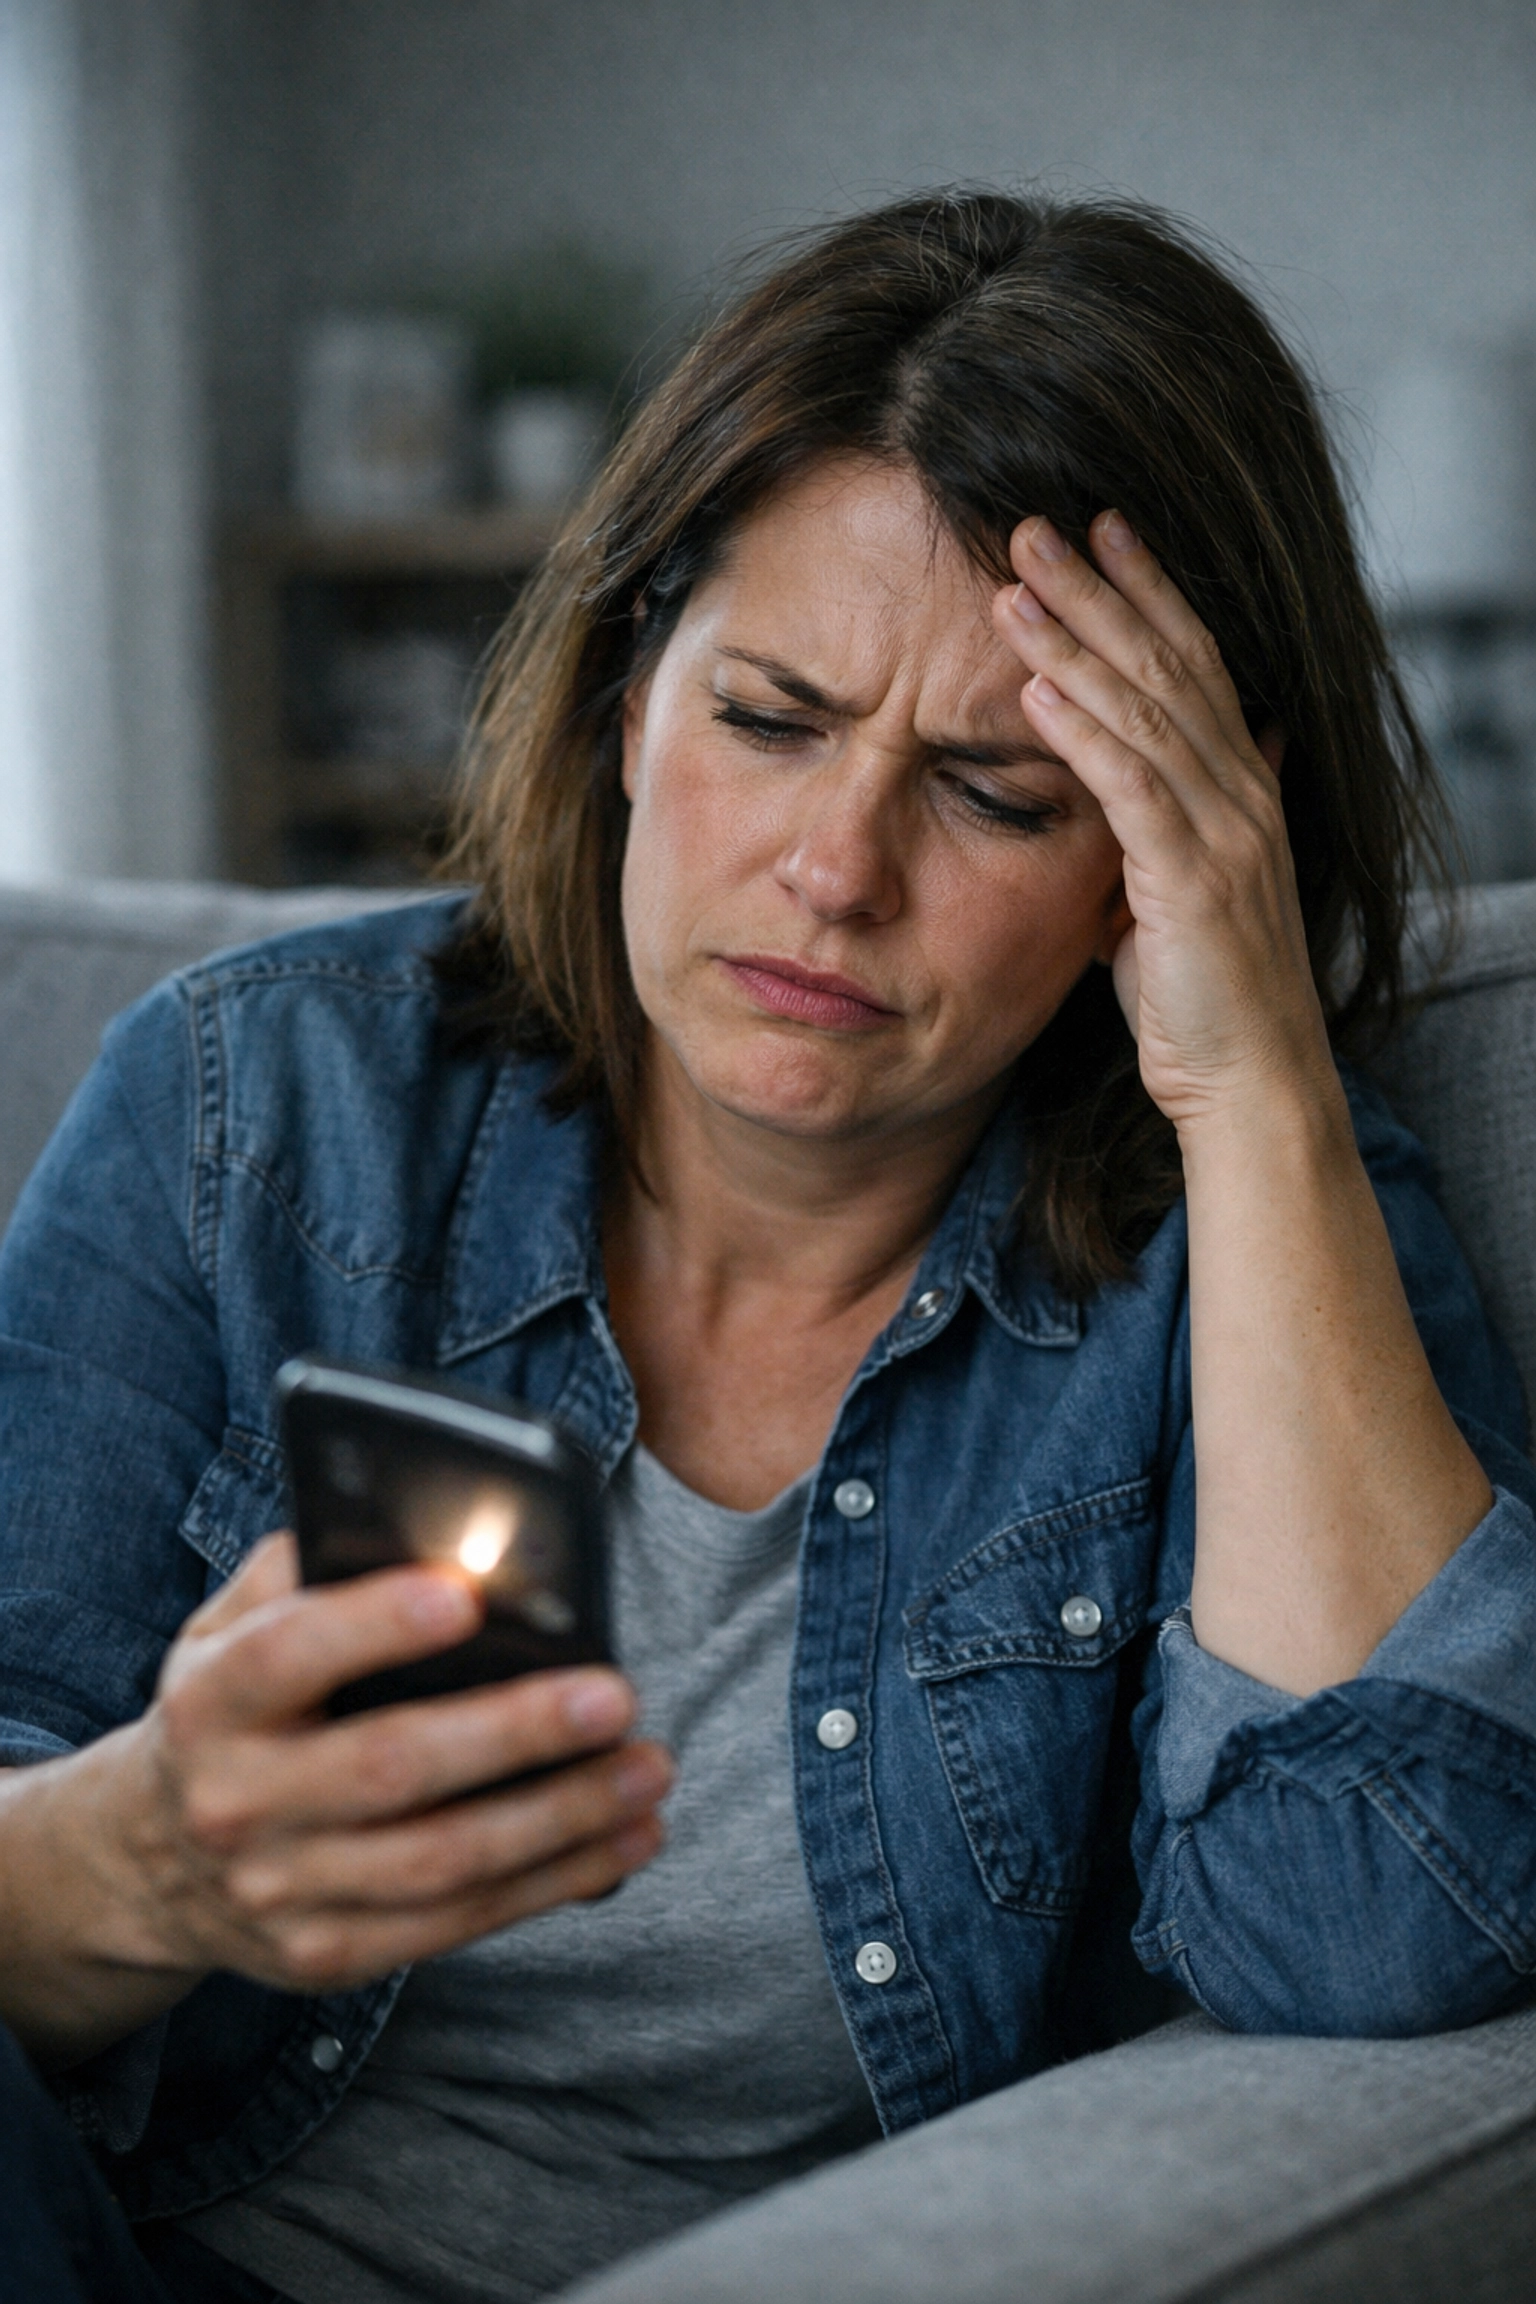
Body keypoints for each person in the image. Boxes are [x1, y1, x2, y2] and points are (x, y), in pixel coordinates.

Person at [2, 188, 1534, 2304]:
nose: (837, 870)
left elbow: (1379, 1923)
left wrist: (1253, 1084)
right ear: (632, 696)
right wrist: (147, 1852)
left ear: (1166, 853)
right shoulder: (256, 1115)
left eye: (998, 792)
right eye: (772, 717)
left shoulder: (1259, 1223)